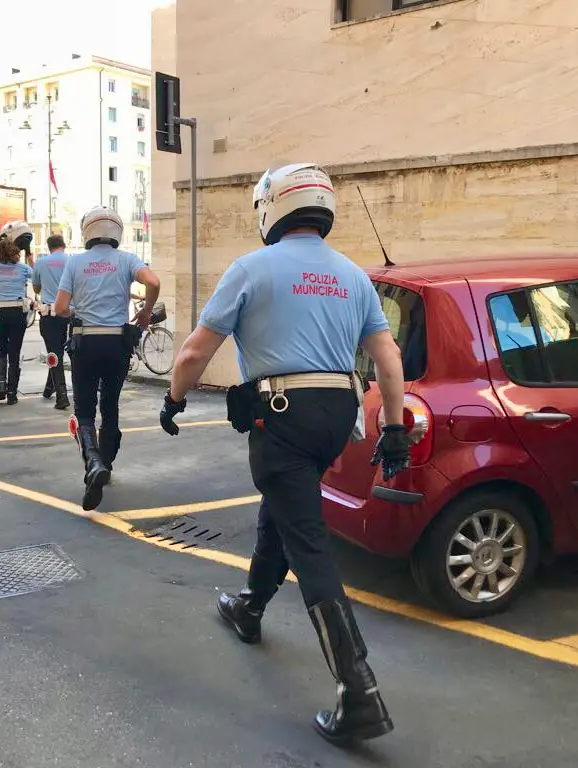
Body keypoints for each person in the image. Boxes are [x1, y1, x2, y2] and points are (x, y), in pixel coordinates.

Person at [159, 163, 412, 746]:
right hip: (336, 417)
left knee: (309, 543)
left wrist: (174, 398)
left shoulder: (253, 267)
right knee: (286, 506)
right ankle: (250, 606)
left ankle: (360, 692)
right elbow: (387, 356)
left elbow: (197, 349)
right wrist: (394, 428)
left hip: (281, 415)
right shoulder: (352, 275)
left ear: (272, 207)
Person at [54, 206, 161, 511]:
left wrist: (76, 311)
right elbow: (153, 282)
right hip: (117, 341)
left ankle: (93, 461)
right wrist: (144, 312)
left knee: (84, 410)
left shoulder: (75, 263)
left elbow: (61, 308)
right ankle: (107, 464)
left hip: (85, 341)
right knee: (110, 405)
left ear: (87, 231)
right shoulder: (126, 259)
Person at [0, 220, 35, 405]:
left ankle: (0, 386)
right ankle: (12, 393)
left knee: (1, 349)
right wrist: (28, 253)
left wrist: (3, 242)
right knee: (15, 351)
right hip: (17, 311)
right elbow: (35, 275)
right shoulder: (22, 269)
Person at [33, 234, 71, 410]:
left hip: (50, 312)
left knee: (54, 354)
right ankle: (50, 388)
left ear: (49, 247)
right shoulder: (72, 261)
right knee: (66, 353)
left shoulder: (41, 262)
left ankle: (62, 396)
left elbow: (36, 287)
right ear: (63, 245)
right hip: (71, 312)